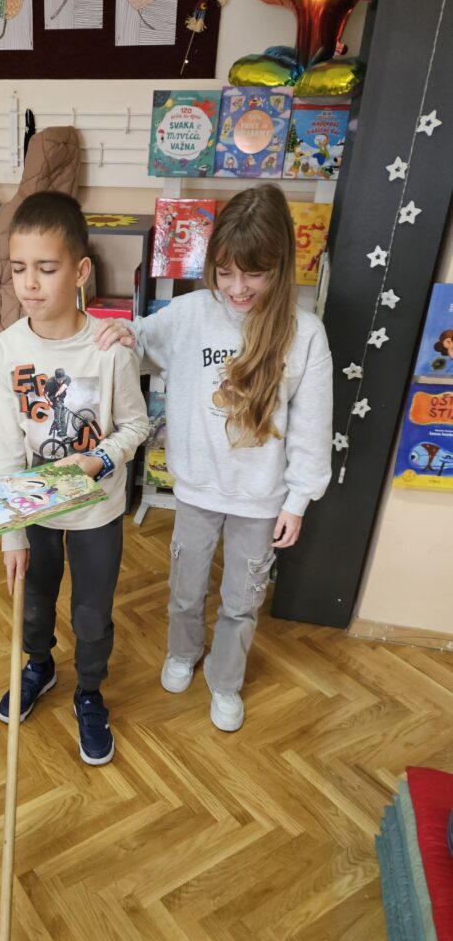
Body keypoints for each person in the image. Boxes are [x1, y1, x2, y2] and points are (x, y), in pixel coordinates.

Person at [95, 184, 332, 732]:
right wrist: (120, 330)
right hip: (197, 488)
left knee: (242, 600)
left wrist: (298, 500)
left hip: (261, 498)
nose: (237, 288)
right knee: (185, 588)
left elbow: (312, 429)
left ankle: (226, 682)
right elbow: (140, 340)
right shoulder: (190, 313)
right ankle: (183, 652)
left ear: (280, 268)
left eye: (254, 274)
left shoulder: (305, 335)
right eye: (225, 272)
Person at [0, 191, 150, 766]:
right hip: (35, 506)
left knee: (90, 614)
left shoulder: (109, 350)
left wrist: (100, 460)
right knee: (34, 602)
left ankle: (89, 692)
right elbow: (8, 451)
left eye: (46, 268)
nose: (30, 283)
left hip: (97, 509)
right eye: (19, 269)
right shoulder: (6, 349)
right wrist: (11, 534)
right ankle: (39, 666)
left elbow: (136, 426)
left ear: (80, 272)